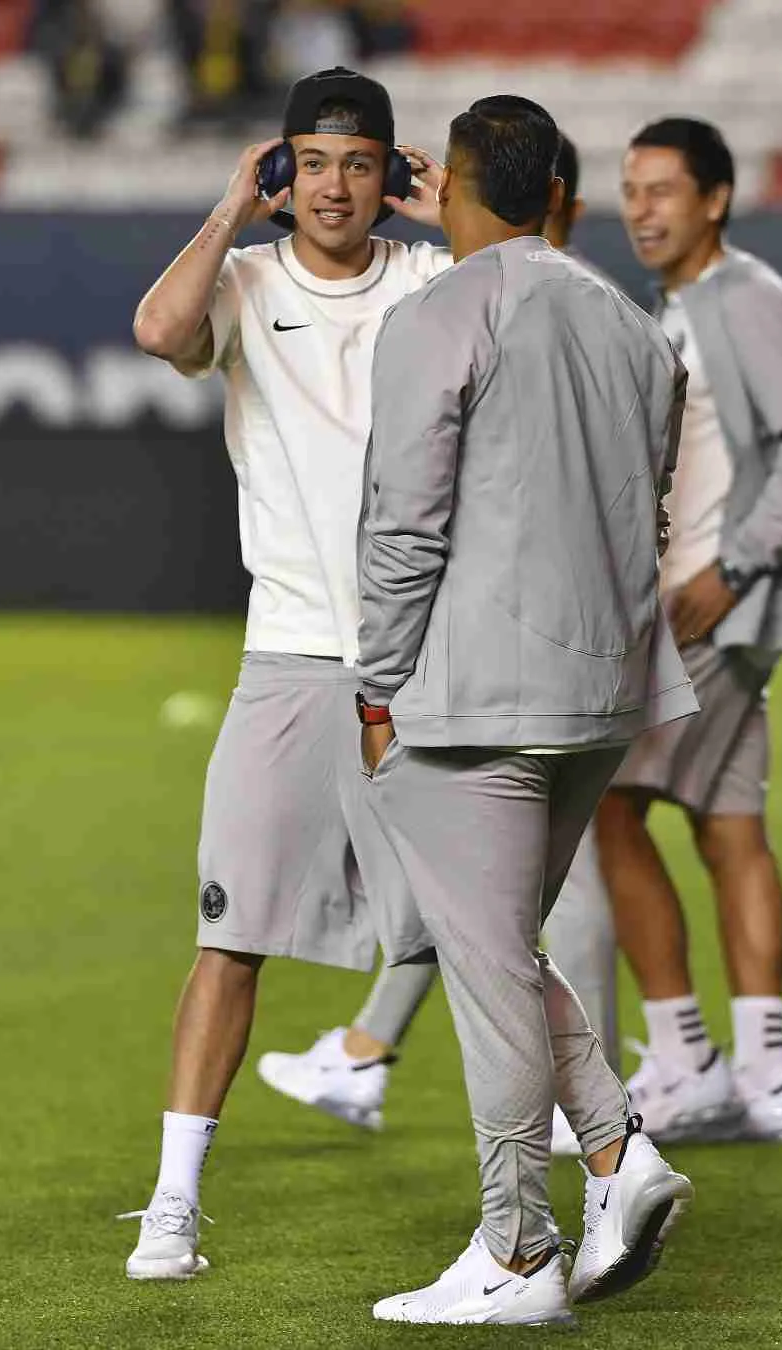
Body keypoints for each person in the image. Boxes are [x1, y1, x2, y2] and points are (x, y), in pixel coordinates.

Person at [355, 94, 695, 1327]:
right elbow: (647, 509)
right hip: (606, 690)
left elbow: (404, 523)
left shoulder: (437, 312)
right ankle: (616, 1155)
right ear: (556, 188)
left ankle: (516, 1247)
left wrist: (377, 683)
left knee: (490, 963)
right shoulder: (631, 323)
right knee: (502, 950)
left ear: (450, 181)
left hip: (473, 693)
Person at [120, 65, 452, 1281]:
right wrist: (224, 208)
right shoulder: (248, 283)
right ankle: (173, 1205)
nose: (335, 186)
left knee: (483, 933)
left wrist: (450, 208)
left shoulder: (431, 279)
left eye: (360, 163)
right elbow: (160, 331)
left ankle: (573, 1185)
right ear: (283, 174)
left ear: (390, 175)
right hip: (291, 658)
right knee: (231, 937)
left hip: (426, 665)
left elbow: (547, 290)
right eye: (312, 163)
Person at [256, 133, 621, 1156]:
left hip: (504, 653)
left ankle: (577, 1154)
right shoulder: (607, 316)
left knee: (505, 898)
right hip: (596, 653)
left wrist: (378, 691)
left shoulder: (460, 312)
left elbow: (412, 524)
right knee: (493, 893)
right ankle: (388, 1058)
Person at [599, 116, 782, 1143]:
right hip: (713, 603)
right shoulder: (686, 303)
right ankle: (768, 1078)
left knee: (606, 808)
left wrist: (735, 567)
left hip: (710, 606)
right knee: (729, 831)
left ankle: (685, 1057)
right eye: (632, 189)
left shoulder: (743, 299)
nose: (641, 208)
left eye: (664, 190)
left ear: (717, 199)